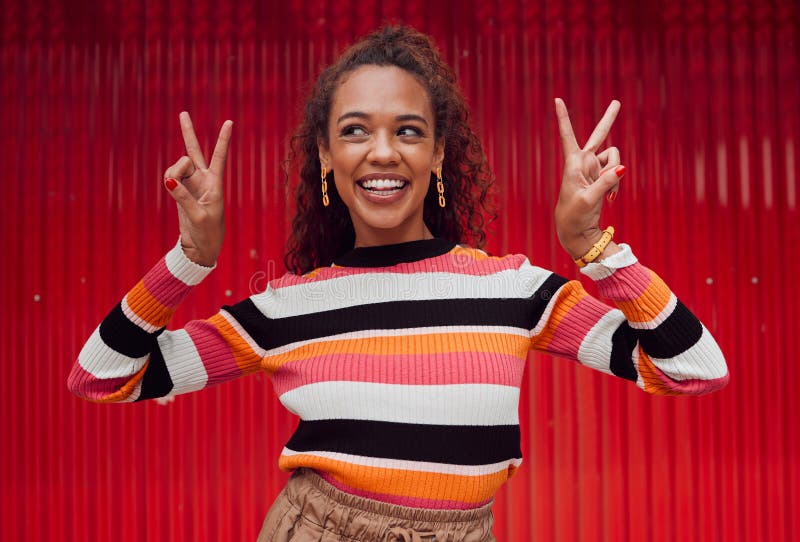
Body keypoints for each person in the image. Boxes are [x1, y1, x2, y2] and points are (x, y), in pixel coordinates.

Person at [68, 25, 729, 542]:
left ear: (438, 153)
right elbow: (101, 377)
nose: (382, 152)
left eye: (408, 131)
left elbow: (694, 368)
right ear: (326, 158)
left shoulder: (515, 292)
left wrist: (594, 249)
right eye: (354, 132)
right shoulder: (285, 309)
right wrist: (190, 259)